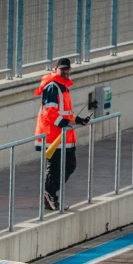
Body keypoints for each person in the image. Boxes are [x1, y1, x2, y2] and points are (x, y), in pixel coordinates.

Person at [34, 57, 90, 211]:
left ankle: (49, 194)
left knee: (69, 165)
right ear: (55, 69)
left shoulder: (63, 87)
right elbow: (49, 112)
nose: (66, 72)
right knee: (56, 167)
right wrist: (66, 123)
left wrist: (78, 119)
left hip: (63, 136)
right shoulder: (53, 87)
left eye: (67, 69)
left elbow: (67, 113)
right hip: (54, 136)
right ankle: (49, 194)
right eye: (63, 69)